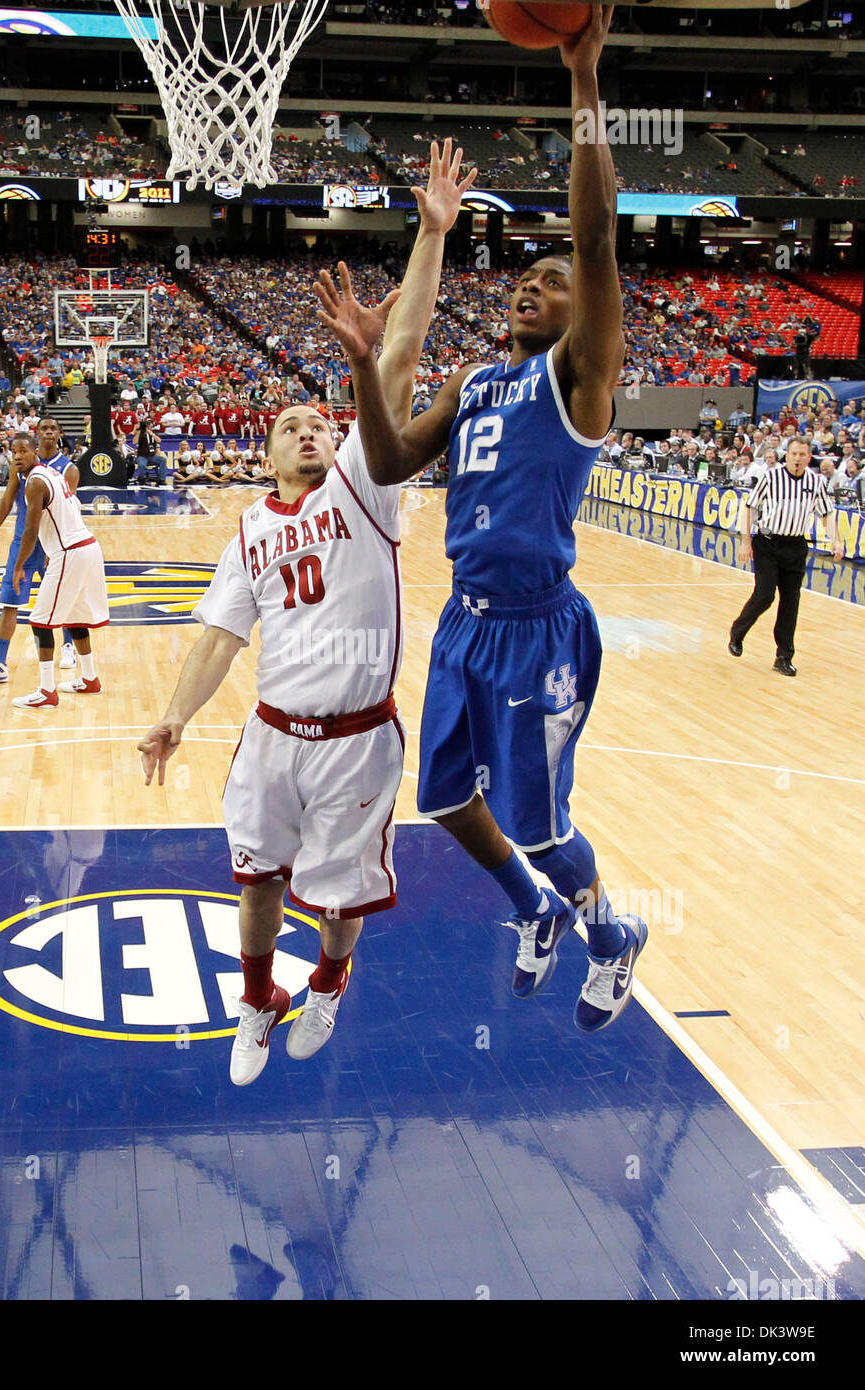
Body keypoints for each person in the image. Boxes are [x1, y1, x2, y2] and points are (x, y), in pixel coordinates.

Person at [318, 7, 646, 1035]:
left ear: (577, 310)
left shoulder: (582, 378)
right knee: (446, 802)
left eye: (551, 284)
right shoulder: (473, 383)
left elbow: (593, 234)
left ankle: (608, 934)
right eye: (521, 277)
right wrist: (368, 368)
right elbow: (383, 458)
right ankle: (536, 916)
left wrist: (583, 78)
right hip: (464, 621)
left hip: (540, 626)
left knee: (542, 829)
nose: (531, 286)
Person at [138, 139, 476, 1086]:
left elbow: (399, 356)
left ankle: (326, 980)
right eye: (292, 424)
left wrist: (431, 235)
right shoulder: (247, 527)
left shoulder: (363, 484)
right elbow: (216, 636)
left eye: (319, 422)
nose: (310, 429)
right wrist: (174, 714)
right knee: (252, 881)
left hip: (357, 738)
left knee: (337, 899)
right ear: (268, 448)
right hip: (272, 733)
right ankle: (256, 1000)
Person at [0, 417, 77, 684]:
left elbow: (69, 512)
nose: (49, 432)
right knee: (9, 601)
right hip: (24, 542)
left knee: (62, 599)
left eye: (53, 428)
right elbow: (6, 502)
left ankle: (68, 646)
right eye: (44, 428)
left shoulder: (67, 469)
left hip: (54, 543)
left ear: (59, 433)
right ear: (37, 435)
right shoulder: (19, 467)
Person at [729, 436, 844, 676]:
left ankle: (783, 656)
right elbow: (750, 507)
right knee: (764, 595)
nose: (798, 459)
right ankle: (738, 632)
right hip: (768, 543)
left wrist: (836, 540)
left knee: (791, 601)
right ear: (787, 455)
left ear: (809, 457)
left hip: (795, 545)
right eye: (794, 454)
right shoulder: (771, 477)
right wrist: (746, 540)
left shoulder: (816, 482)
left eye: (803, 455)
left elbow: (826, 513)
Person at [10, 433, 109, 709]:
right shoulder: (52, 473)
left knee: (40, 621)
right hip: (86, 546)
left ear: (34, 453)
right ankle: (90, 679)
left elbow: (30, 530)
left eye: (23, 450)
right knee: (76, 618)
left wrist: (19, 566)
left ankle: (46, 691)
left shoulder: (35, 482)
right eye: (13, 452)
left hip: (71, 552)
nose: (17, 456)